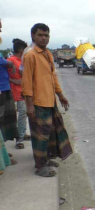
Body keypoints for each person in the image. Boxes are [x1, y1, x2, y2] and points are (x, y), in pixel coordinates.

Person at [22, 23, 73, 177]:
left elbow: (52, 77)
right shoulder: (30, 55)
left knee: (50, 133)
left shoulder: (48, 54)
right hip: (38, 103)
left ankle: (46, 158)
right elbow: (26, 83)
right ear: (33, 36)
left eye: (46, 35)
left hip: (50, 101)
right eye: (40, 35)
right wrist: (29, 105)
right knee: (40, 136)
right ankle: (40, 166)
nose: (43, 38)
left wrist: (60, 95)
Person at [0, 18, 17, 175]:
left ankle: (3, 155)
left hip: (4, 88)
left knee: (4, 123)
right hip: (1, 90)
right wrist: (8, 64)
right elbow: (5, 63)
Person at [7, 39, 28, 149]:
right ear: (21, 50)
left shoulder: (21, 60)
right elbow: (5, 76)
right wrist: (13, 81)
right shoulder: (11, 61)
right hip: (15, 93)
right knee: (21, 114)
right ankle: (19, 139)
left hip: (24, 92)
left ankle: (22, 134)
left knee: (24, 114)